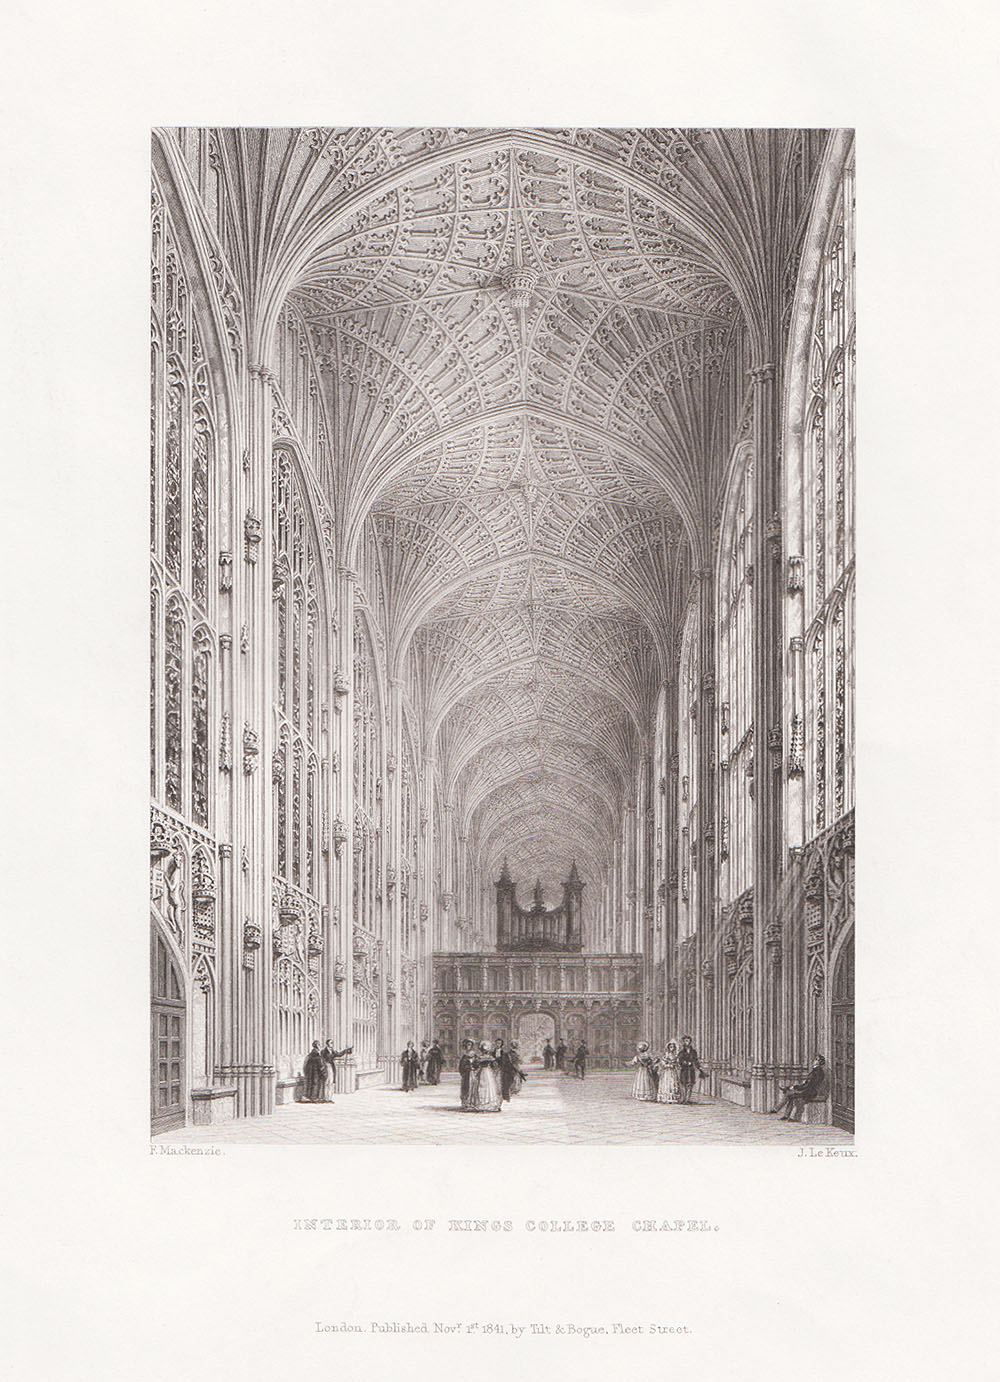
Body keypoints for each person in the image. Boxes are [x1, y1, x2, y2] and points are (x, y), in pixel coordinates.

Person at [772, 1055, 828, 1120]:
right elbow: (807, 1083)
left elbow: (808, 1085)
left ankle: (776, 1109)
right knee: (790, 1095)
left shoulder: (817, 1072)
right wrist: (794, 1087)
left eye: (816, 1059)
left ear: (819, 1062)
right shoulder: (815, 1071)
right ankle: (786, 1115)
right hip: (808, 1089)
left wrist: (795, 1087)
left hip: (810, 1091)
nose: (814, 1061)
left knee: (788, 1094)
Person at [470, 1042, 503, 1113]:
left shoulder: (483, 1057)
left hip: (484, 1072)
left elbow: (475, 1065)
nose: (485, 1051)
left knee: (487, 1087)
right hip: (486, 1072)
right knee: (483, 1087)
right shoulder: (488, 1057)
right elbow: (495, 1066)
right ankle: (483, 1104)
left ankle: (485, 1104)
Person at [677, 1036, 705, 1104]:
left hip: (691, 1070)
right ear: (683, 1042)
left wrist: (699, 1067)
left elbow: (696, 1060)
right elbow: (680, 1060)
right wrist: (685, 1063)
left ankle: (687, 1099)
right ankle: (683, 1099)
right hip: (684, 1070)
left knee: (690, 1084)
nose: (687, 1042)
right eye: (686, 1041)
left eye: (689, 1041)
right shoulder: (681, 1052)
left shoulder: (693, 1052)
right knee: (683, 1084)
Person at [458, 1039, 476, 1110]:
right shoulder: (464, 1056)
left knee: (473, 1087)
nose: (468, 1046)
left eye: (470, 1045)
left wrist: (474, 1068)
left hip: (473, 1074)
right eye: (467, 1045)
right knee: (465, 1087)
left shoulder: (474, 1055)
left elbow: (477, 1063)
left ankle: (472, 1102)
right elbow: (461, 1066)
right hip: (466, 1074)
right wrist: (465, 1069)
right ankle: (465, 1102)